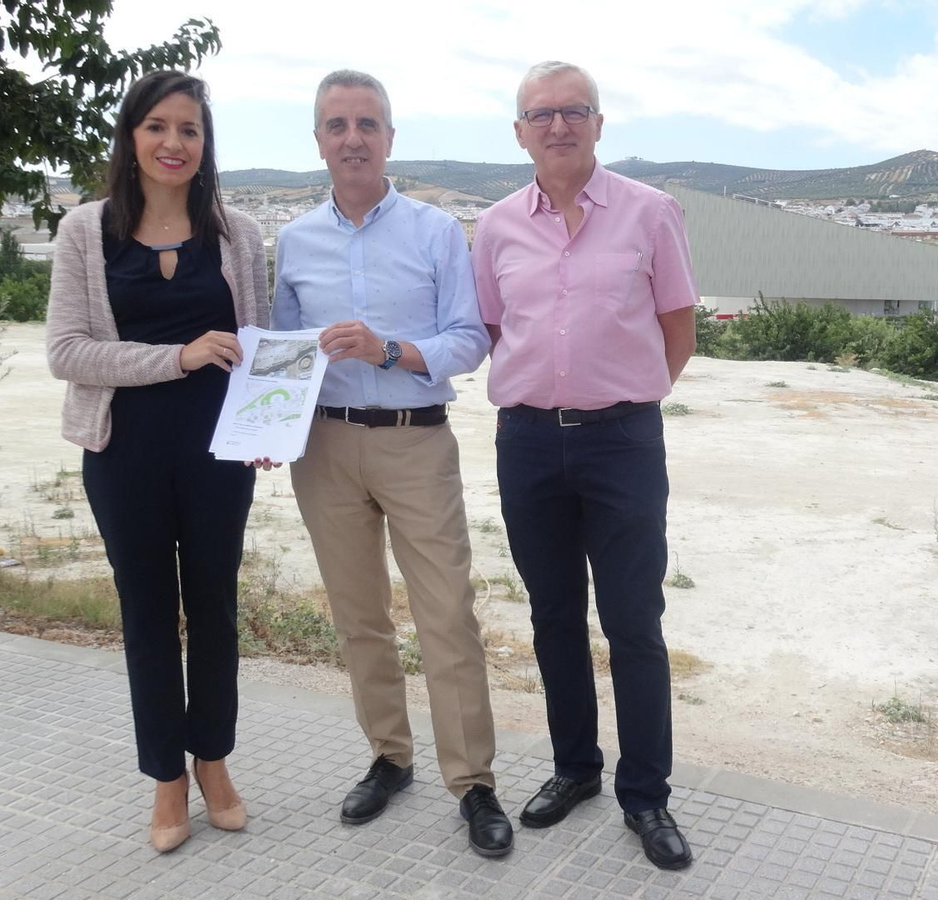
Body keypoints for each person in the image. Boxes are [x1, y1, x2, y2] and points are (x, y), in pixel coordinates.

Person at [271, 70, 510, 858]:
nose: (353, 139)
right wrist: (266, 423)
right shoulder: (295, 241)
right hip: (325, 449)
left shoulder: (436, 231)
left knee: (446, 615)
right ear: (318, 141)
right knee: (359, 616)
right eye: (337, 125)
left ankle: (472, 782)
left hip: (415, 441)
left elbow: (469, 339)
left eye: (367, 124)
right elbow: (284, 355)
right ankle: (389, 757)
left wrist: (388, 350)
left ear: (390, 138)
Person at [470, 60, 699, 870]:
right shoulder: (495, 227)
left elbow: (677, 327)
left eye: (575, 110)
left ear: (599, 123)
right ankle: (575, 768)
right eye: (542, 113)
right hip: (528, 441)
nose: (558, 125)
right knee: (553, 615)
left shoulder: (650, 212)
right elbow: (491, 329)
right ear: (519, 132)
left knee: (633, 620)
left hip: (622, 441)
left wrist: (625, 399)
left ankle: (647, 795)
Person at [45, 70, 270, 853]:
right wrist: (178, 356)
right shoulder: (85, 230)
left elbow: (257, 348)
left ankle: (213, 762)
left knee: (214, 610)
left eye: (190, 129)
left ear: (205, 144)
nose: (175, 143)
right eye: (158, 127)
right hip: (125, 452)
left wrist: (267, 423)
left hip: (217, 455)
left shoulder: (237, 233)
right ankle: (166, 777)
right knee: (147, 615)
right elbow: (67, 352)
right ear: (131, 137)